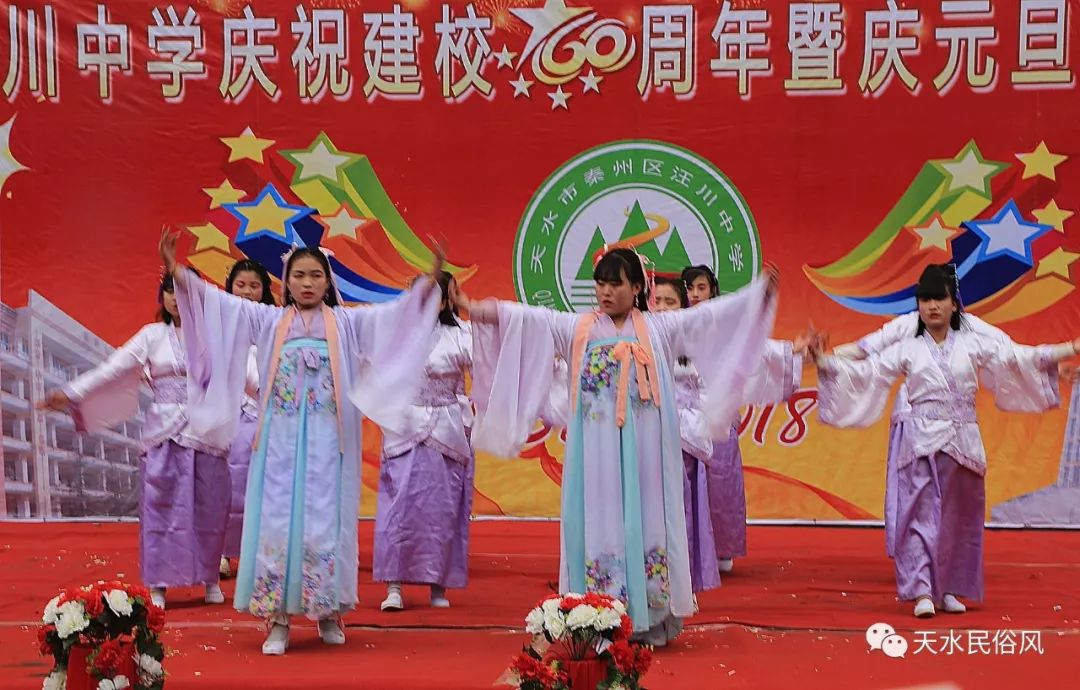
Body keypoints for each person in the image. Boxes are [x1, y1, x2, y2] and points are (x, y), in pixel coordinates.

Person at [459, 247, 779, 645]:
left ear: (637, 287)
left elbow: (709, 317)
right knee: (599, 518)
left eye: (616, 284)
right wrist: (473, 307)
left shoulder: (659, 329)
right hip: (596, 454)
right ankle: (594, 614)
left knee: (647, 518)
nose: (606, 292)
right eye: (601, 284)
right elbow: (525, 319)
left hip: (646, 451)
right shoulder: (579, 329)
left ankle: (648, 618)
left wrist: (756, 296)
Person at [161, 229, 443, 654]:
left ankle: (328, 610)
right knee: (279, 519)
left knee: (326, 520)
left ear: (328, 282)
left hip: (331, 443)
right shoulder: (269, 320)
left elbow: (396, 316)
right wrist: (177, 272)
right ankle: (279, 618)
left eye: (315, 275)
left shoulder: (348, 322)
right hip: (280, 443)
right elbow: (216, 304)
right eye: (299, 275)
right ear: (285, 282)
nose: (307, 283)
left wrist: (430, 280)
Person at [811, 264, 1077, 618]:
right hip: (919, 441)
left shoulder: (973, 340)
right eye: (925, 299)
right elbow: (867, 368)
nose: (932, 306)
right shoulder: (907, 344)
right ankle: (921, 589)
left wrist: (1069, 347)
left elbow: (1019, 356)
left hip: (964, 443)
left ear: (954, 303)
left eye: (939, 298)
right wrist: (823, 360)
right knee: (919, 516)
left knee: (959, 518)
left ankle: (949, 588)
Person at [39, 270, 228, 609]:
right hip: (164, 434)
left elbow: (247, 373)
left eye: (183, 291)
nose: (175, 298)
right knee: (160, 507)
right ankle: (158, 582)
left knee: (209, 507)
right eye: (169, 291)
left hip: (206, 433)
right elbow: (113, 367)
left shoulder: (218, 336)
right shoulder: (152, 335)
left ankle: (210, 577)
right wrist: (70, 393)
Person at [680, 265, 806, 574]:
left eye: (701, 287)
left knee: (722, 484)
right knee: (682, 487)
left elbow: (756, 348)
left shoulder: (725, 327)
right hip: (681, 420)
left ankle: (723, 548)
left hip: (718, 413)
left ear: (713, 290)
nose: (695, 295)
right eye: (690, 288)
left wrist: (794, 351)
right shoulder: (675, 326)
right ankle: (684, 549)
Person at [376, 270, 474, 611]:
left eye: (435, 295)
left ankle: (438, 585)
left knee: (442, 510)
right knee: (398, 505)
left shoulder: (462, 334)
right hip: (404, 426)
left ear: (447, 300)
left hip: (447, 429)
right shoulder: (393, 333)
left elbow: (486, 362)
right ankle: (394, 586)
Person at [651, 277, 718, 595]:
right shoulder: (641, 337)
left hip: (684, 436)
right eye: (657, 301)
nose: (662, 308)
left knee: (681, 509)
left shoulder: (698, 340)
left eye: (670, 302)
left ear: (684, 306)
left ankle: (682, 581)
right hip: (649, 434)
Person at [220, 259, 276, 579]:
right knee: (229, 487)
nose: (247, 291)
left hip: (267, 415)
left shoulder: (275, 322)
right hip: (229, 415)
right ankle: (225, 554)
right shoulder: (221, 321)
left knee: (266, 489)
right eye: (241, 284)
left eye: (254, 285)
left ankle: (262, 556)